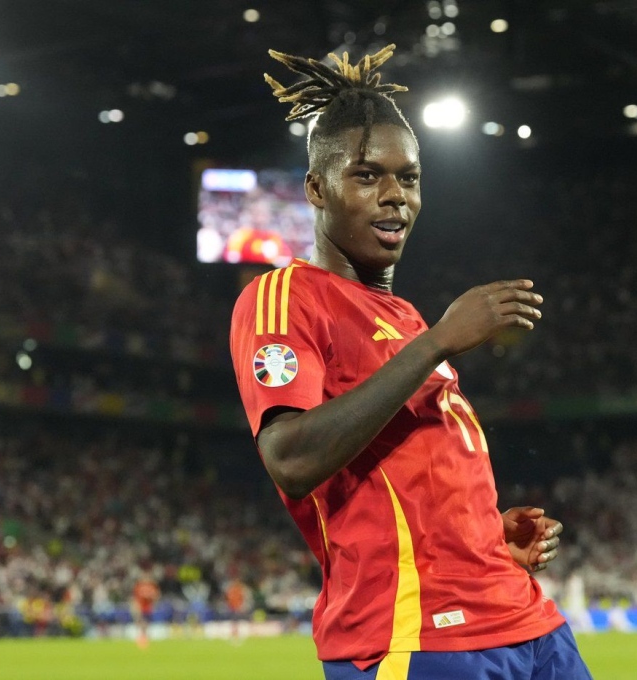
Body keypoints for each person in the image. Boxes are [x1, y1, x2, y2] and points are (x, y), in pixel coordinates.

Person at [229, 44, 593, 679]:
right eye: (367, 176)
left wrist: (481, 533)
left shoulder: (405, 318)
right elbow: (289, 458)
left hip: (523, 619)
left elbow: (410, 472)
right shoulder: (285, 297)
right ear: (317, 188)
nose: (394, 195)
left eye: (409, 177)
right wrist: (435, 345)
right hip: (417, 636)